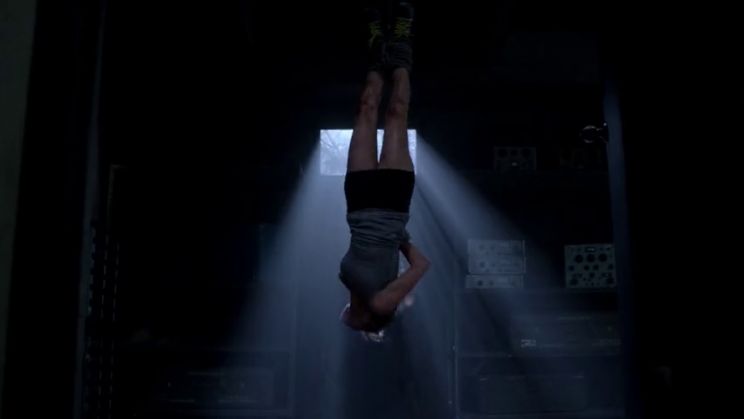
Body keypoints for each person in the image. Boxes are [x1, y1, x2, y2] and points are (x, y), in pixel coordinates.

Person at [338, 2, 430, 341]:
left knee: (365, 110)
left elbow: (347, 317)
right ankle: (402, 43)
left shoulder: (353, 305)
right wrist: (398, 237)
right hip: (392, 205)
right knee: (396, 113)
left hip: (359, 205)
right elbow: (422, 265)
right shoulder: (379, 304)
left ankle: (377, 45)